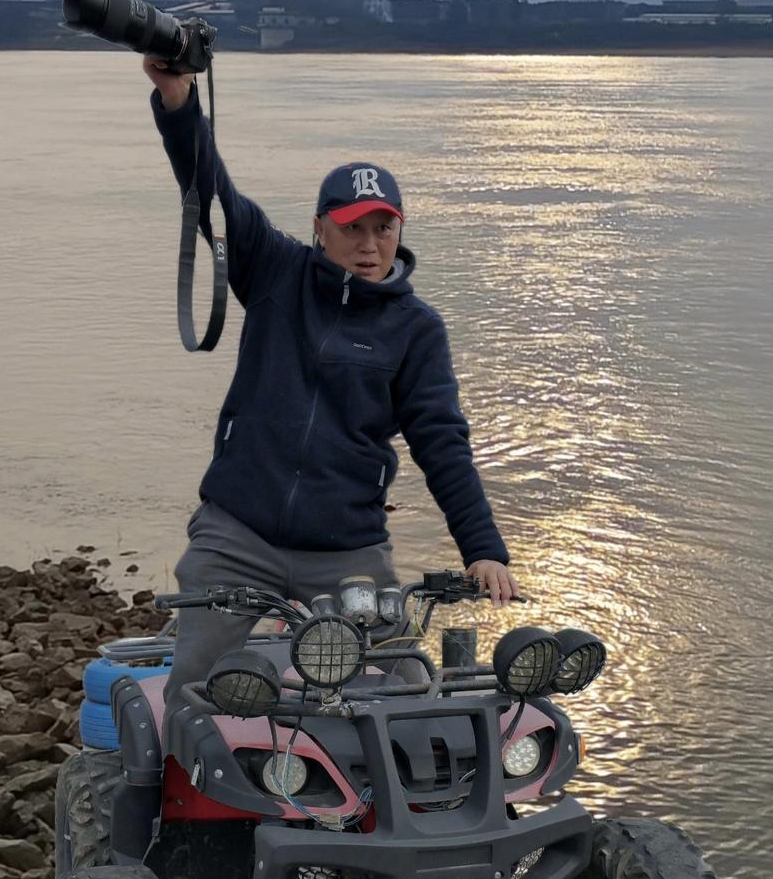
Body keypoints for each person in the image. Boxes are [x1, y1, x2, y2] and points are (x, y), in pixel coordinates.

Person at [144, 56, 517, 717]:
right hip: (239, 535)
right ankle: (163, 813)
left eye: (382, 227)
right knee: (195, 686)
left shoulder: (416, 329)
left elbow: (442, 441)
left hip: (347, 551)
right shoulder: (274, 269)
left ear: (399, 230)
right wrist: (179, 103)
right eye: (351, 227)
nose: (367, 243)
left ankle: (398, 814)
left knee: (406, 688)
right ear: (320, 229)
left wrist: (482, 547)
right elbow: (212, 192)